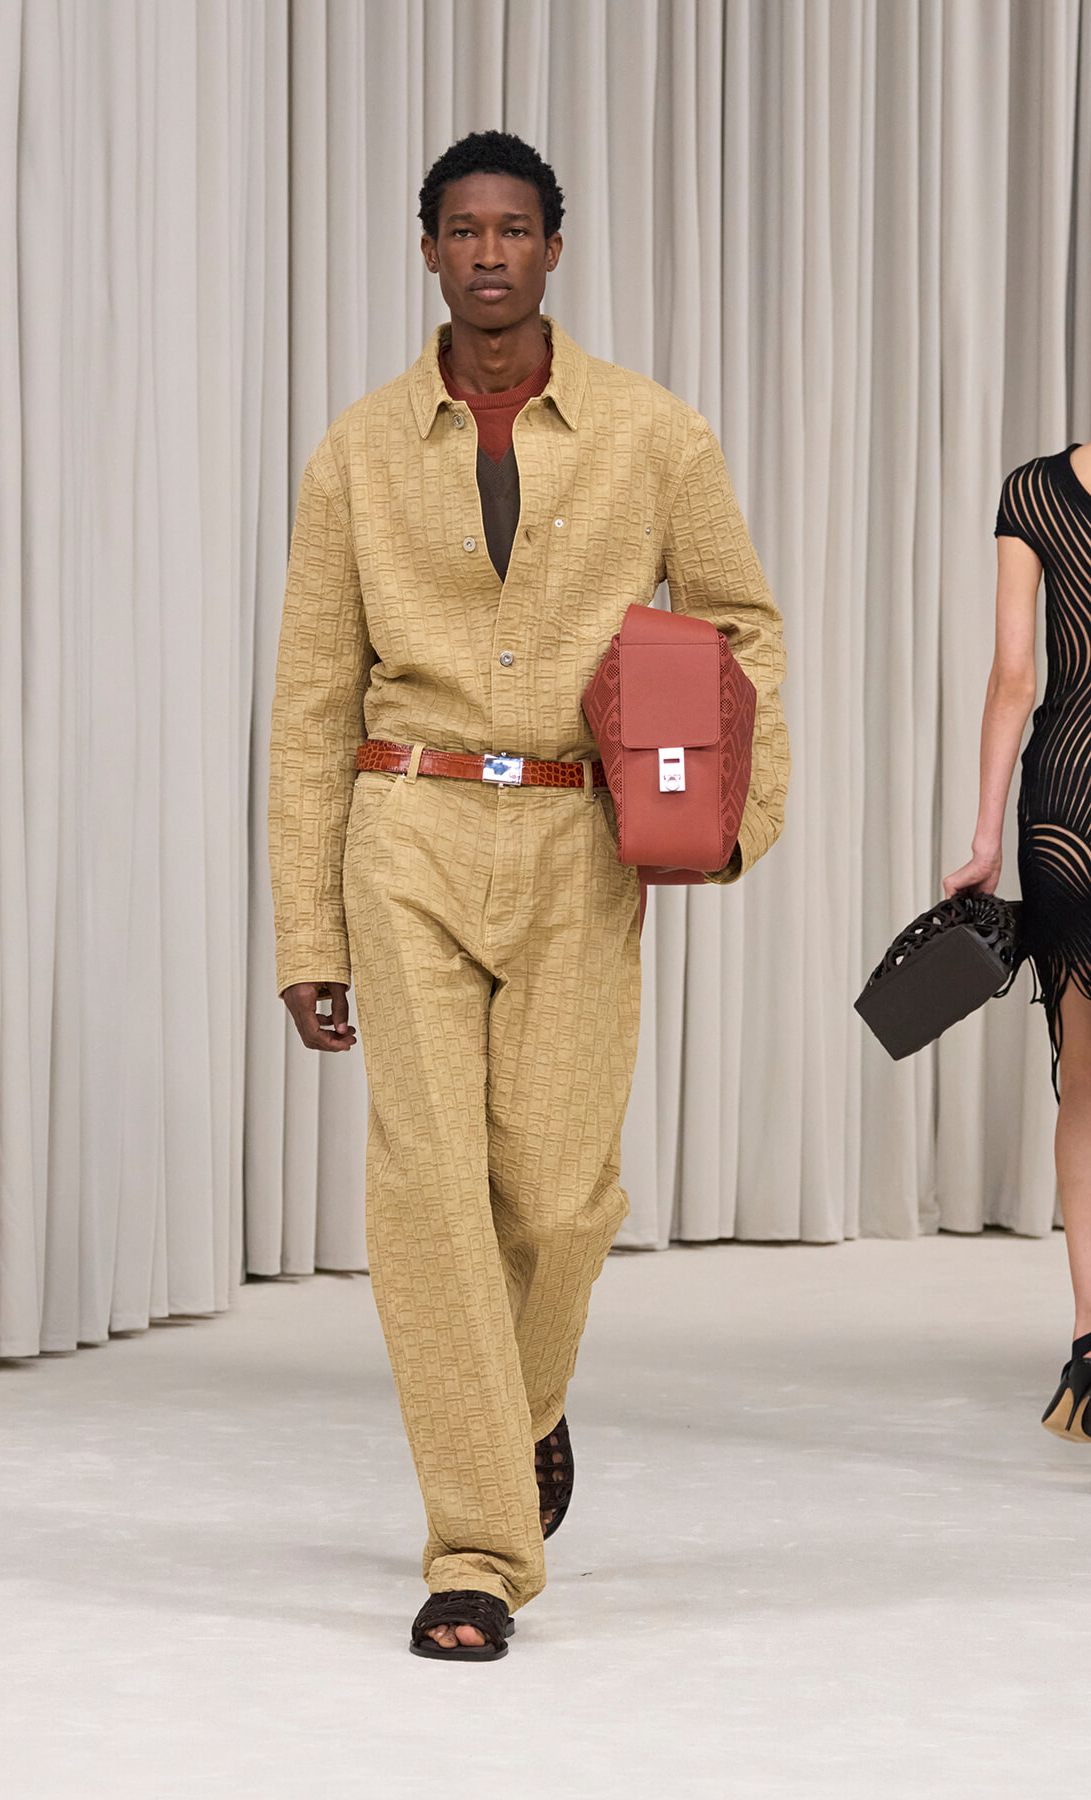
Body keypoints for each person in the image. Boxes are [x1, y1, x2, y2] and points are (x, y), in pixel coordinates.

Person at [268, 131, 789, 1660]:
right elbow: (310, 700)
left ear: (555, 248)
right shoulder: (357, 450)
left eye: (514, 230)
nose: (488, 254)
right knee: (429, 1194)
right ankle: (478, 1551)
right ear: (426, 251)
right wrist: (308, 925)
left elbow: (745, 625)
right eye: (460, 231)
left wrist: (729, 818)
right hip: (406, 831)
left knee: (556, 1196)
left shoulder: (651, 435)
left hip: (581, 844)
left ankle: (526, 1409)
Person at [944, 445, 1091, 1441]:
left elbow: (1013, 677)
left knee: (1084, 1082)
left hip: (1068, 809)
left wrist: (987, 834)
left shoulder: (1036, 490)